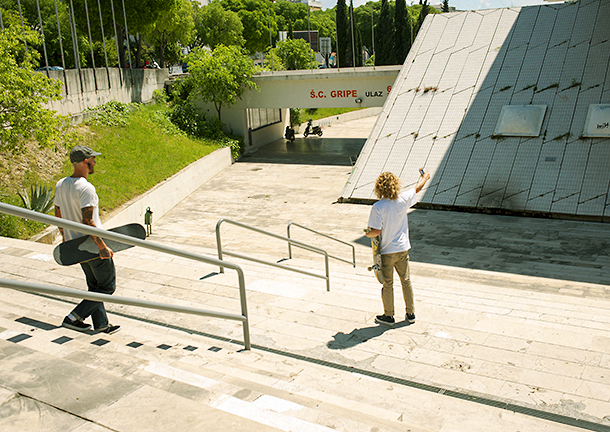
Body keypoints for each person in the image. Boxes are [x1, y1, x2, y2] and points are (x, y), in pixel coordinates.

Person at [54, 146, 120, 334]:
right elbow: (88, 220)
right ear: (85, 161)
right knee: (108, 287)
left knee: (94, 287)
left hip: (76, 247)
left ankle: (101, 324)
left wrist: (65, 236)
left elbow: (57, 215)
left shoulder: (61, 184)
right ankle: (73, 317)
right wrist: (102, 247)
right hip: (91, 246)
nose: (95, 162)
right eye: (93, 159)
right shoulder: (86, 188)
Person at [365, 170, 430, 326]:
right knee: (406, 281)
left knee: (388, 284)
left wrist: (367, 233)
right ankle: (411, 313)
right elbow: (417, 188)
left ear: (379, 188)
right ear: (395, 185)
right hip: (403, 248)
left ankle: (389, 316)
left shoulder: (378, 207)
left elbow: (376, 231)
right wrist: (425, 177)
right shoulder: (402, 200)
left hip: (387, 251)